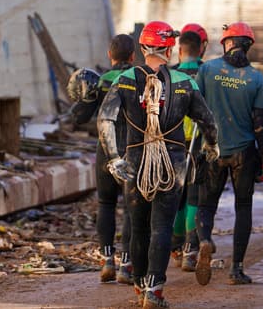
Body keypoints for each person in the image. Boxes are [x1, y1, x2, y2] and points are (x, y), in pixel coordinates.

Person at [98, 21, 220, 309]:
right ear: (168, 48)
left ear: (142, 48)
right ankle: (155, 290)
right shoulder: (183, 82)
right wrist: (211, 146)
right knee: (161, 227)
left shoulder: (125, 79)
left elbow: (105, 120)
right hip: (173, 164)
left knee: (138, 227)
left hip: (135, 163)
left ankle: (140, 287)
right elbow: (207, 121)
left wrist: (114, 159)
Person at [194, 22, 263, 286]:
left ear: (226, 43)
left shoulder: (206, 70)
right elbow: (260, 123)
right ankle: (236, 269)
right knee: (243, 207)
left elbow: (196, 111)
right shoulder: (257, 79)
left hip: (212, 149)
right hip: (244, 152)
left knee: (206, 205)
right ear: (248, 46)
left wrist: (195, 149)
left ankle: (204, 240)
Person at [69, 34, 135, 284]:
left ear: (110, 56)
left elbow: (79, 118)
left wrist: (81, 95)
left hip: (105, 151)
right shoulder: (138, 79)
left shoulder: (100, 81)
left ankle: (107, 260)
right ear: (132, 57)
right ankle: (126, 265)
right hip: (130, 151)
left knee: (106, 205)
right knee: (130, 209)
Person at [169, 31, 204, 272]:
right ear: (201, 49)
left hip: (173, 143)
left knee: (176, 199)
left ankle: (176, 247)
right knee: (194, 197)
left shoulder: (169, 74)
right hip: (199, 144)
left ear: (179, 51)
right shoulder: (207, 73)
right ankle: (192, 249)